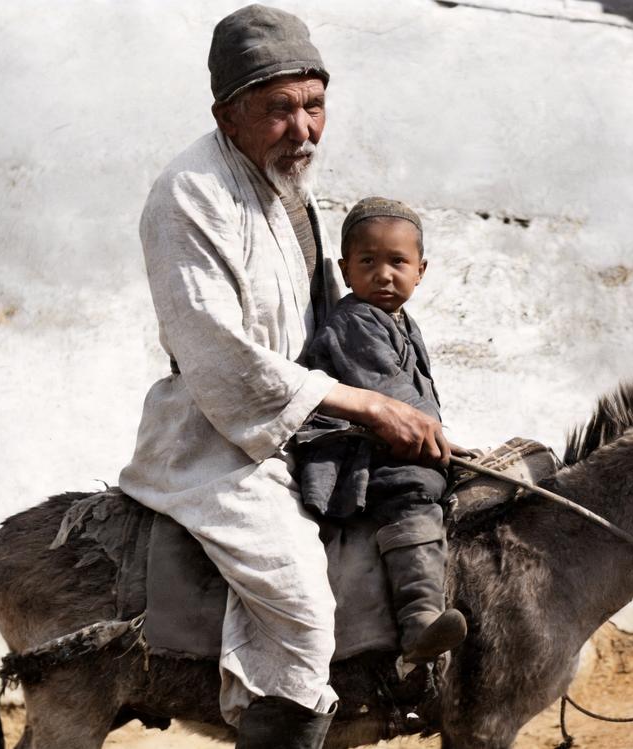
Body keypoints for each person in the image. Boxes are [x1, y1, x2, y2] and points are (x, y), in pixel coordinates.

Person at [116, 6, 450, 748]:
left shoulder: (288, 186)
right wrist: (360, 403)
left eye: (315, 105)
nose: (303, 129)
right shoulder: (188, 194)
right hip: (219, 439)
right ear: (227, 115)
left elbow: (326, 325)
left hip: (310, 420)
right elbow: (215, 353)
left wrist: (391, 396)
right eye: (279, 109)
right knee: (301, 606)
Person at [293, 198, 468, 664]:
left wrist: (449, 442)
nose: (384, 274)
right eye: (367, 262)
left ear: (421, 270)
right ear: (345, 270)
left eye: (397, 262)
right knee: (415, 485)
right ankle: (420, 619)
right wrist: (441, 448)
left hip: (391, 438)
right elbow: (392, 399)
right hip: (352, 449)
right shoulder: (354, 321)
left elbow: (419, 408)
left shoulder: (403, 322)